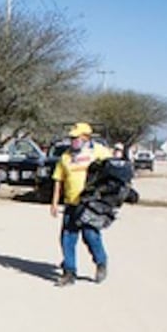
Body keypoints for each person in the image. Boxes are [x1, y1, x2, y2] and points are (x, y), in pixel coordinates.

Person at [50, 122, 113, 287]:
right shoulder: (66, 156)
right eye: (72, 138)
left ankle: (101, 262)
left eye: (76, 137)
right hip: (71, 204)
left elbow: (113, 169)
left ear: (86, 137)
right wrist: (54, 203)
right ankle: (69, 272)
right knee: (67, 238)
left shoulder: (98, 151)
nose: (73, 140)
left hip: (90, 205)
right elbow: (58, 180)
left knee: (91, 235)